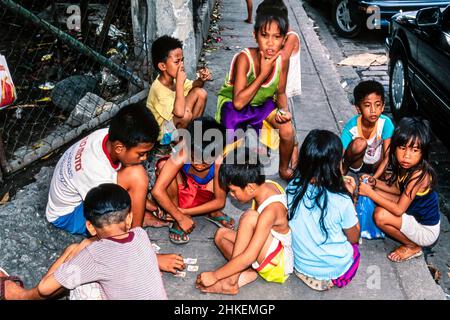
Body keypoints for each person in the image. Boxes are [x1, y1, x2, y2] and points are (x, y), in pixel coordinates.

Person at [0, 184, 171, 300]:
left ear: (90, 226)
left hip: (89, 252)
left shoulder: (93, 255)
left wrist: (75, 250)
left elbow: (45, 288)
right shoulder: (140, 234)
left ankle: (22, 297)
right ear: (129, 218)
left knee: (80, 273)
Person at [46, 102, 168, 235]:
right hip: (69, 215)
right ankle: (136, 238)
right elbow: (103, 215)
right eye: (141, 153)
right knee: (137, 175)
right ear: (119, 148)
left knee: (136, 176)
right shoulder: (95, 170)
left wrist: (146, 203)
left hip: (86, 193)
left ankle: (137, 216)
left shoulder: (108, 136)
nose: (145, 158)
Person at [195, 147, 293, 295]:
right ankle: (244, 270)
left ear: (250, 187)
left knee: (249, 217)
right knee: (221, 235)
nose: (232, 196)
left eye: (233, 191)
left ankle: (230, 282)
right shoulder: (265, 185)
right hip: (265, 247)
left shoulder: (270, 210)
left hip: (277, 265)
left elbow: (250, 255)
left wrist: (215, 275)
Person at [215, 6, 296, 180]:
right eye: (264, 35)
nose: (270, 43)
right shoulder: (244, 58)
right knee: (229, 155)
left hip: (261, 105)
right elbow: (238, 103)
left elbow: (280, 93)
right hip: (234, 105)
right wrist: (263, 74)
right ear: (255, 35)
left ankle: (283, 168)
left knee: (288, 131)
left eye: (277, 37)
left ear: (284, 40)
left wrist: (284, 113)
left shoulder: (283, 61)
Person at [286, 130, 361, 291]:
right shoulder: (342, 200)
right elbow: (354, 237)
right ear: (334, 167)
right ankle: (332, 280)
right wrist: (352, 196)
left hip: (300, 264)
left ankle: (310, 274)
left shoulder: (292, 187)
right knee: (355, 251)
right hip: (332, 267)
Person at [359, 117, 440, 262]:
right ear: (395, 147)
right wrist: (375, 182)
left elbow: (398, 210)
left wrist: (369, 192)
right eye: (402, 148)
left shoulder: (420, 175)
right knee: (376, 194)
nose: (407, 156)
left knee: (380, 215)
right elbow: (397, 189)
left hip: (425, 231)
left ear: (423, 153)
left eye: (414, 150)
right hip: (413, 213)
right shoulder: (407, 167)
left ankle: (412, 246)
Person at [151, 117, 235, 244]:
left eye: (206, 161)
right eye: (194, 158)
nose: (199, 165)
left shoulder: (219, 160)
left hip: (203, 196)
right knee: (163, 166)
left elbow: (219, 201)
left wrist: (183, 213)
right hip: (181, 195)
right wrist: (179, 217)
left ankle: (212, 211)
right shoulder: (183, 152)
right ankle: (177, 219)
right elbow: (157, 191)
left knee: (228, 169)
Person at [256, 0, 301, 172]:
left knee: (289, 128)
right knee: (275, 127)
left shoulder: (291, 37)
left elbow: (282, 57)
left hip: (285, 89)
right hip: (274, 90)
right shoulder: (274, 40)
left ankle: (292, 161)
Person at [147, 35, 211, 146]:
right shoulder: (158, 89)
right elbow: (180, 113)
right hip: (163, 135)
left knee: (200, 93)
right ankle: (180, 142)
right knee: (185, 115)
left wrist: (201, 79)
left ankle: (193, 136)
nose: (182, 65)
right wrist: (180, 84)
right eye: (177, 62)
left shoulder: (174, 79)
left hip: (175, 124)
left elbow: (194, 86)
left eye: (183, 60)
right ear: (163, 66)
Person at [341, 80, 394, 179]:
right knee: (360, 143)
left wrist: (373, 179)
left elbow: (387, 156)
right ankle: (345, 169)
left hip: (376, 163)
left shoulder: (386, 123)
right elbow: (340, 153)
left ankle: (380, 175)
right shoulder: (352, 126)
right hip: (357, 164)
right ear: (358, 108)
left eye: (377, 105)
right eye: (367, 105)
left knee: (391, 148)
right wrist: (339, 174)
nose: (373, 110)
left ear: (382, 106)